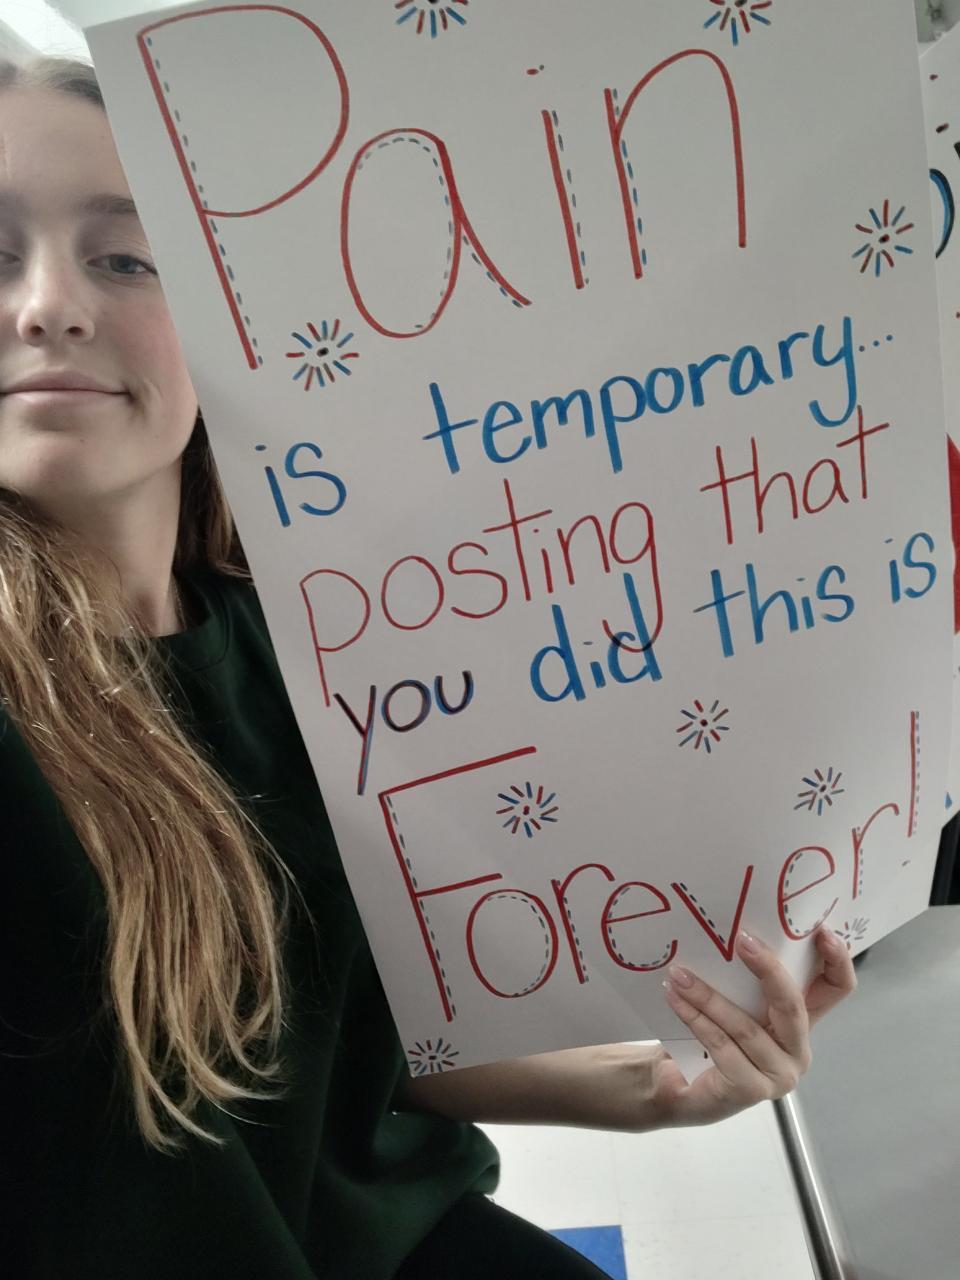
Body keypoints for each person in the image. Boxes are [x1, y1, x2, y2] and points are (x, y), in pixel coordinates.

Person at [0, 55, 857, 1280]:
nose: (50, 306)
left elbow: (370, 1046)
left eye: (127, 258)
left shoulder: (314, 641)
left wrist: (662, 1086)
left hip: (397, 1239)